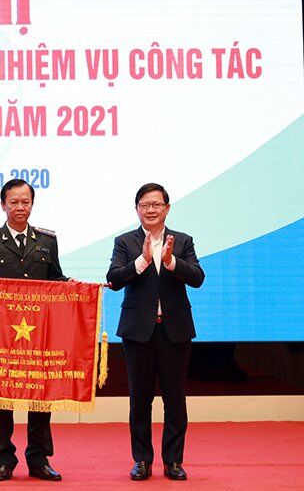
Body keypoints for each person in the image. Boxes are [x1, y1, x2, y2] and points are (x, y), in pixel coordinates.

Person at [106, 183, 205, 481]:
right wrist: (143, 261)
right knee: (140, 400)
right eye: (145, 205)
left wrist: (170, 261)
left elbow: (197, 278)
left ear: (167, 208)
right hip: (138, 332)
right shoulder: (125, 242)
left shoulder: (183, 241)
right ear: (137, 209)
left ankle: (173, 461)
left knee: (175, 400)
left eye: (156, 204)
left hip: (175, 331)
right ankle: (142, 460)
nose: (151, 210)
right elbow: (114, 279)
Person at [0, 178, 69, 482]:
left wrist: (71, 286)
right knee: (2, 396)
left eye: (25, 202)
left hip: (39, 332)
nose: (20, 207)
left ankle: (39, 458)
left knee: (40, 394)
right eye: (14, 202)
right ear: (3, 205)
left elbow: (55, 278)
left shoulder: (47, 241)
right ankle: (3, 459)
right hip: (3, 334)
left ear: (32, 204)